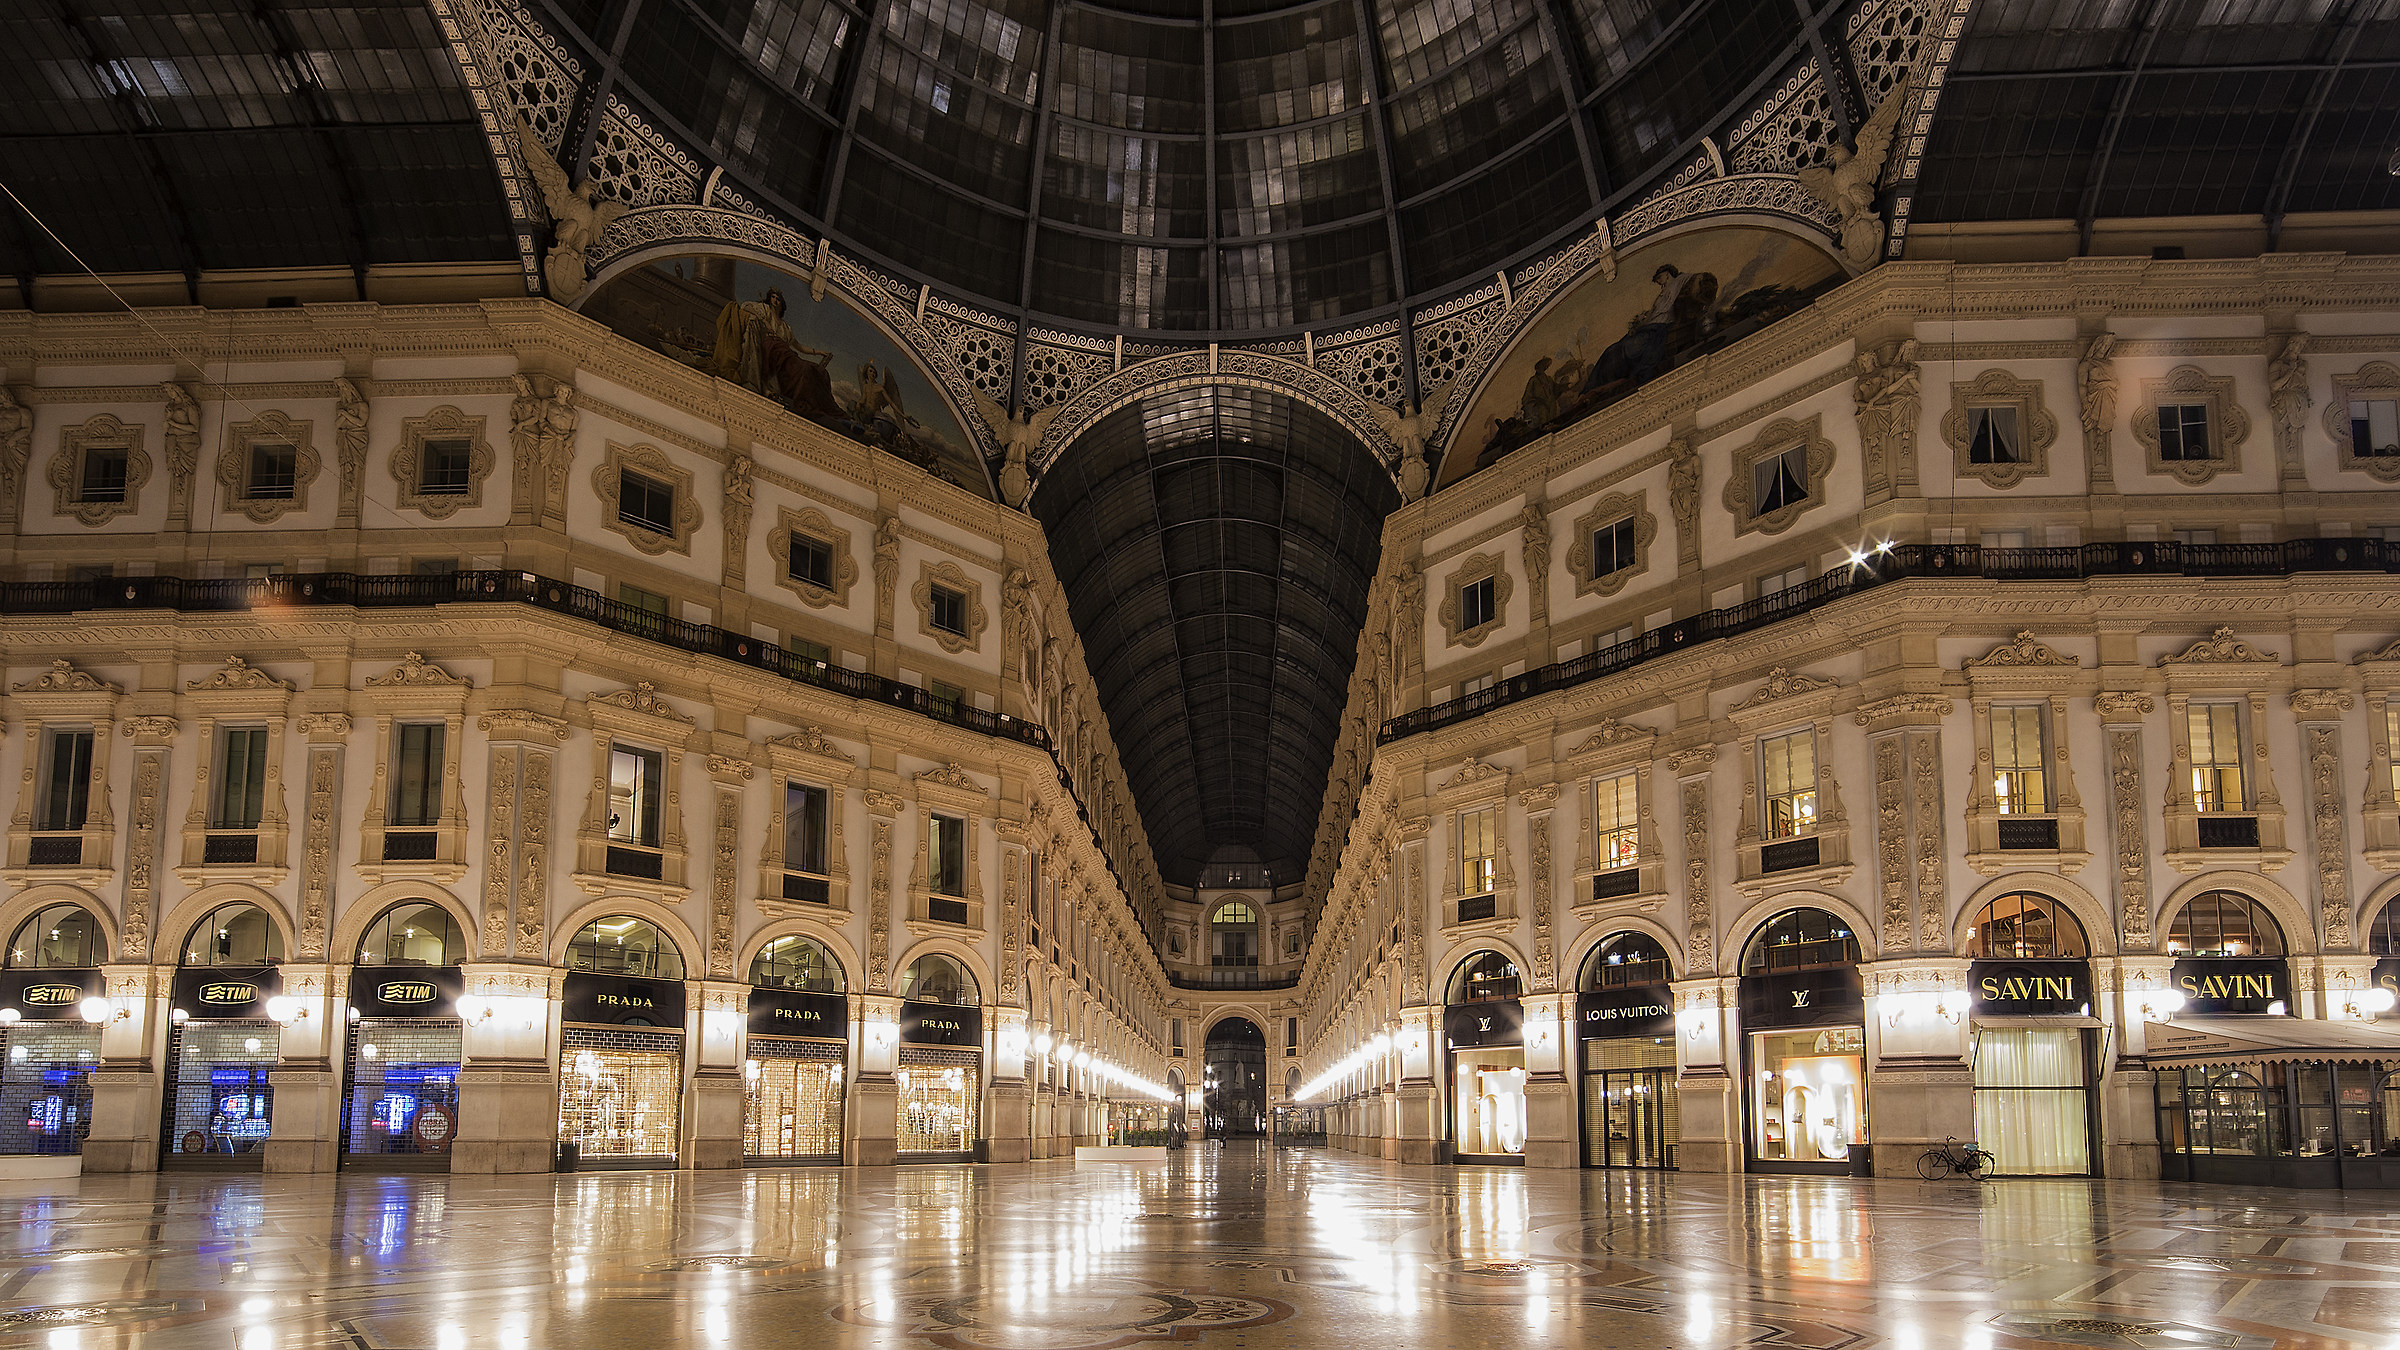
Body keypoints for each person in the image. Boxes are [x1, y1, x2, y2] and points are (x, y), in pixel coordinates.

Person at [706, 288, 843, 420]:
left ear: (782, 303)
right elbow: (745, 306)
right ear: (769, 298)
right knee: (803, 369)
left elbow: (798, 346)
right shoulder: (764, 310)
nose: (775, 300)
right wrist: (763, 319)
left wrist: (818, 352)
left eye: (778, 299)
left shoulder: (785, 327)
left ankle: (825, 406)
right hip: (771, 350)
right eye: (773, 297)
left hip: (785, 354)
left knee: (816, 371)